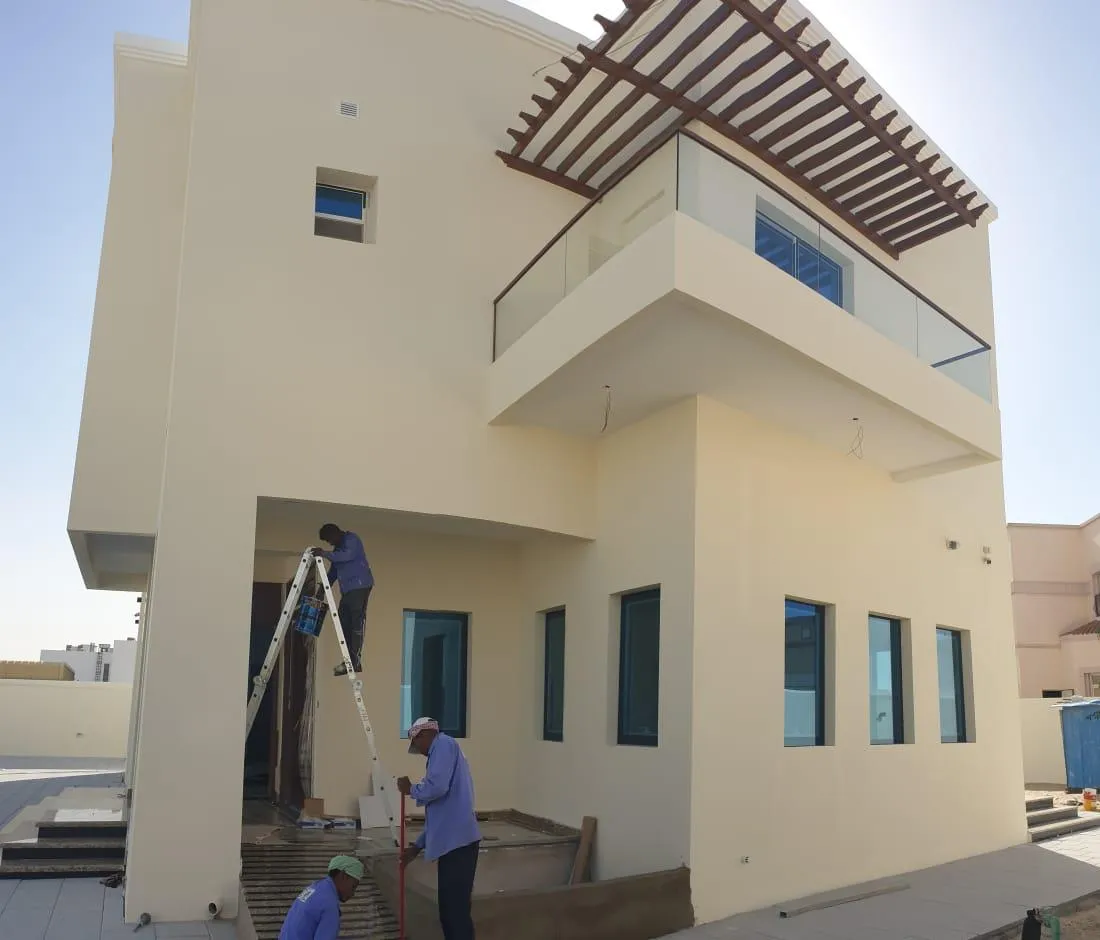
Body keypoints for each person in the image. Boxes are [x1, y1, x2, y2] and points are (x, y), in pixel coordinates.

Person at [398, 717, 481, 940]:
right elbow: (442, 816)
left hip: (459, 845)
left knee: (455, 914)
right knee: (450, 912)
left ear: (424, 734)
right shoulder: (444, 750)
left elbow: (437, 787)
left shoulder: (443, 744)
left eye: (417, 744)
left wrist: (411, 789)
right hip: (453, 844)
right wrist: (417, 846)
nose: (420, 752)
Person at [313, 523, 373, 675]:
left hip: (360, 586)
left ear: (335, 533)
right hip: (348, 591)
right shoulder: (337, 550)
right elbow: (333, 572)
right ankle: (349, 661)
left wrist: (324, 553)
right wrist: (322, 590)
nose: (330, 543)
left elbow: (347, 555)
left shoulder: (351, 539)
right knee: (344, 622)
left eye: (329, 540)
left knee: (356, 622)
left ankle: (355, 661)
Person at [277, 855, 363, 940]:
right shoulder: (329, 905)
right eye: (353, 886)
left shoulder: (313, 888)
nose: (353, 893)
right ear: (343, 876)